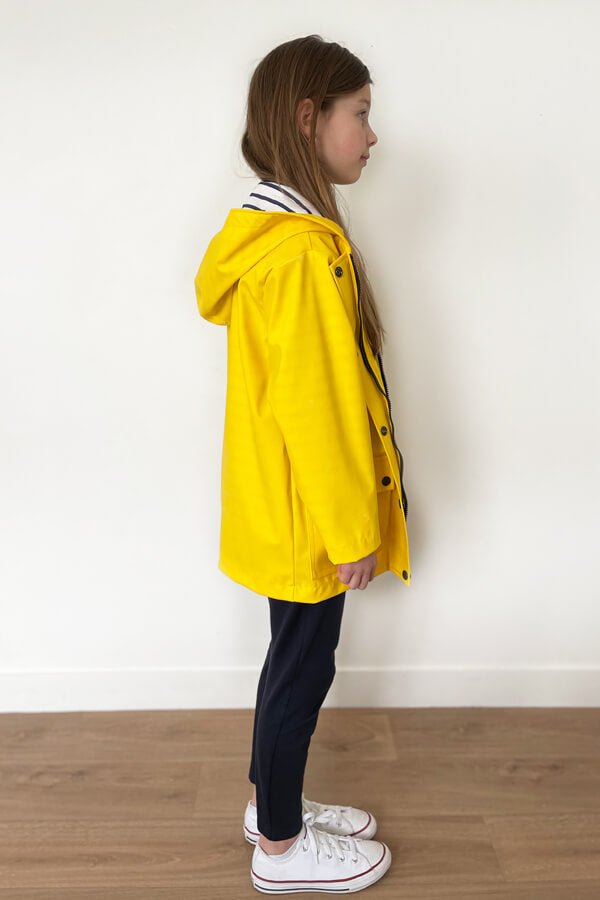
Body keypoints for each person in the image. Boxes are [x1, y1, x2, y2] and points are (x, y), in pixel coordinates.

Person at [194, 34, 411, 895]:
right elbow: (316, 409)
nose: (373, 134)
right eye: (361, 113)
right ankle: (281, 851)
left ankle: (270, 806)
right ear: (307, 117)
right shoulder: (296, 254)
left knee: (290, 657)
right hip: (310, 510)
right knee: (303, 667)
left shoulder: (279, 240)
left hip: (286, 504)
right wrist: (352, 527)